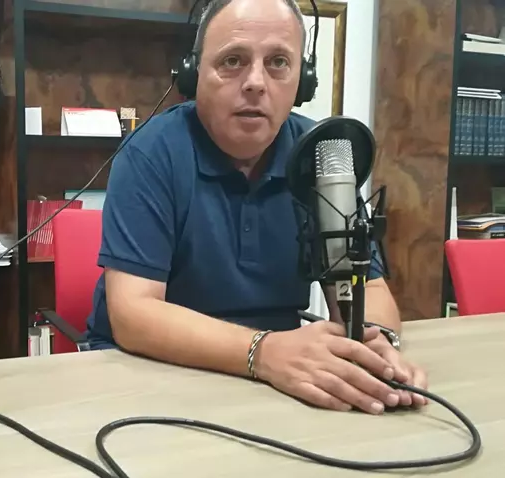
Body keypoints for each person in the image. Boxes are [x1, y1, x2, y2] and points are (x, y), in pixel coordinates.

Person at [84, 0, 429, 415]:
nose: (255, 83)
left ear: (303, 80)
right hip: (150, 374)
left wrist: (376, 346)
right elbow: (133, 314)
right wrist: (263, 353)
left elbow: (365, 287)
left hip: (278, 380)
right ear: (193, 74)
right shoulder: (151, 154)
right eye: (232, 61)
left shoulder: (321, 155)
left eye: (278, 62)